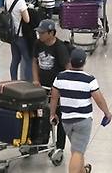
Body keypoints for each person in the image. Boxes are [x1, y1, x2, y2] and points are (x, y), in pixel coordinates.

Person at [50, 48, 111, 173]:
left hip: (66, 121)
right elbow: (99, 99)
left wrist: (52, 114)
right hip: (83, 121)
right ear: (84, 63)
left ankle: (83, 170)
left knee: (77, 148)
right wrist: (107, 113)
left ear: (70, 61)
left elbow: (54, 97)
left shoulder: (60, 77)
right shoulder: (89, 80)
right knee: (77, 152)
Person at [32, 19, 69, 151]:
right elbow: (35, 61)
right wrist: (36, 80)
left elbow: (68, 69)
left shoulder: (60, 48)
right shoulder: (38, 43)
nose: (40, 35)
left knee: (59, 117)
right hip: (42, 88)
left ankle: (59, 147)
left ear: (51, 33)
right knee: (41, 115)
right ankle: (41, 142)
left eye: (42, 33)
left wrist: (61, 87)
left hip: (57, 91)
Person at [4, 0, 32, 81]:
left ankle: (13, 81)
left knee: (15, 59)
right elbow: (27, 19)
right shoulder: (20, 2)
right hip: (21, 35)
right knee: (27, 59)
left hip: (11, 35)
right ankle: (28, 82)